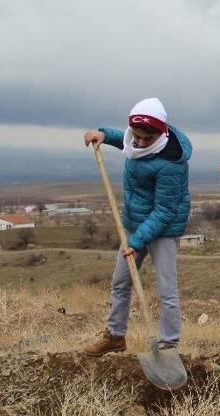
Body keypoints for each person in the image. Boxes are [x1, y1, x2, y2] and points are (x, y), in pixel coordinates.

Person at [82, 98, 191, 356]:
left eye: (146, 139)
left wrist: (136, 241)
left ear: (160, 134)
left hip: (163, 230)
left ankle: (168, 345)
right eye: (137, 136)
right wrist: (103, 134)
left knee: (167, 290)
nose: (139, 143)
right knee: (120, 282)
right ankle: (115, 336)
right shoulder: (135, 142)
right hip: (134, 224)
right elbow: (125, 139)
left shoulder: (171, 164)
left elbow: (164, 211)